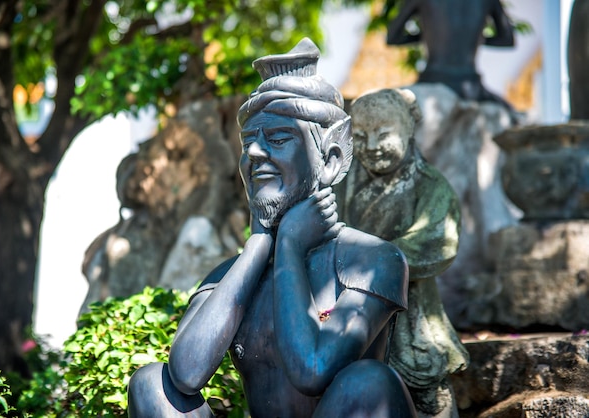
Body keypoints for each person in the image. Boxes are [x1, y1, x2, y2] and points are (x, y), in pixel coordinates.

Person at [127, 38, 417, 418]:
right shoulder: (234, 275)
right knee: (152, 384)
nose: (254, 154)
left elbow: (312, 371)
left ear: (329, 160)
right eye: (248, 143)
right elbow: (186, 374)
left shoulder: (374, 260)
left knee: (369, 382)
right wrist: (259, 244)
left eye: (279, 139)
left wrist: (292, 249)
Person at [341, 88, 469, 417]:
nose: (371, 147)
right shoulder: (342, 182)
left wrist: (369, 258)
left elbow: (437, 241)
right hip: (351, 309)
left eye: (383, 135)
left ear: (408, 130)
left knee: (427, 397)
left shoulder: (429, 185)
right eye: (359, 136)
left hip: (411, 318)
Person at [386, 0, 515, 106]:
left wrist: (428, 36)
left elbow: (393, 38)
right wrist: (473, 38)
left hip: (433, 78)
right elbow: (507, 39)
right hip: (471, 84)